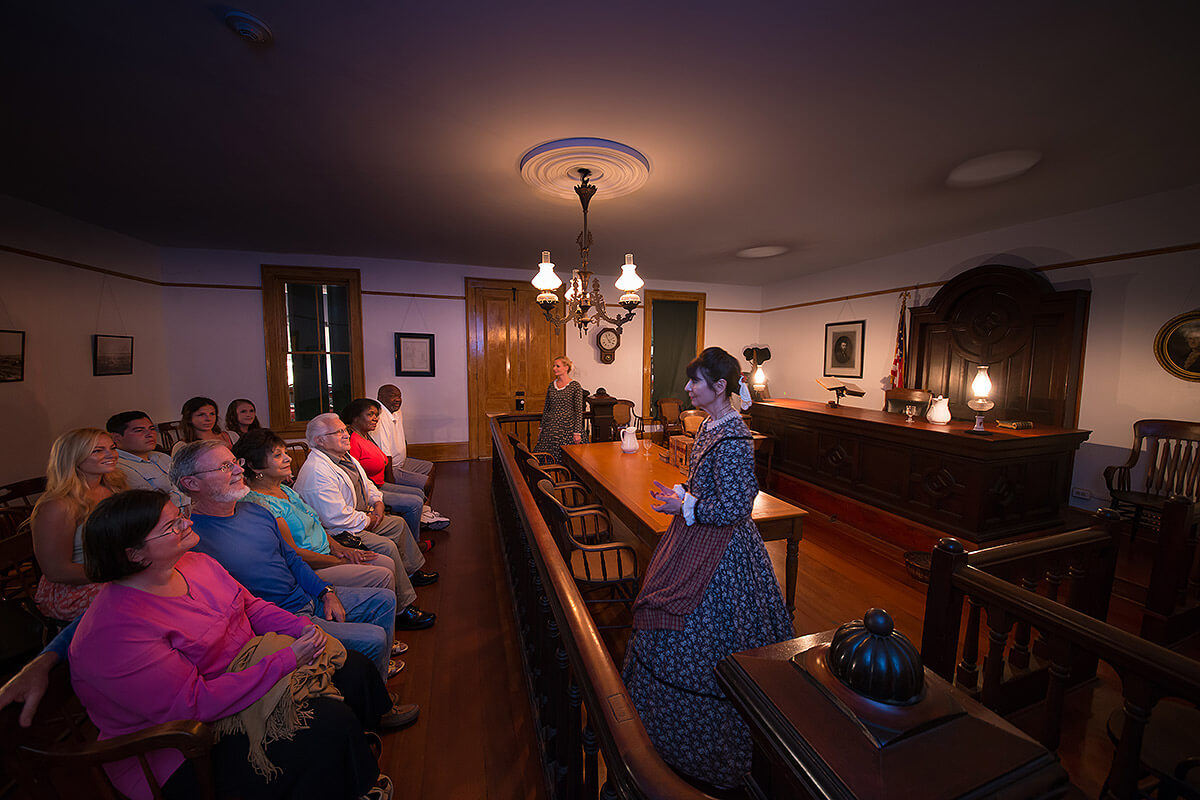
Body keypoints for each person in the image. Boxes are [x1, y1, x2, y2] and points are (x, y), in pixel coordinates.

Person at [66, 489, 394, 800]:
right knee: (326, 722)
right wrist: (287, 659)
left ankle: (351, 759)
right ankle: (349, 774)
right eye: (172, 525)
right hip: (181, 745)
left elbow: (251, 605)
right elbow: (193, 704)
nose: (188, 522)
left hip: (241, 672)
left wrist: (301, 628)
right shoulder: (117, 631)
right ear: (133, 554)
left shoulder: (196, 563)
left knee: (352, 667)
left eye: (180, 515)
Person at [622, 346, 793, 790]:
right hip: (698, 536)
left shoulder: (734, 436)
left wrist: (689, 503)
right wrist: (685, 495)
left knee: (708, 632)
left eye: (695, 381)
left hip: (725, 554)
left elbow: (736, 505)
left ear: (720, 388)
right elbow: (710, 488)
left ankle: (711, 749)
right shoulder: (712, 425)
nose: (687, 388)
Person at [170, 441, 402, 679]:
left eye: (235, 463)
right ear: (191, 483)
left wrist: (325, 592)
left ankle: (374, 680)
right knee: (372, 639)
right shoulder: (192, 539)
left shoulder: (256, 511)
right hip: (278, 618)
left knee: (384, 599)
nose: (239, 470)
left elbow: (291, 559)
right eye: (225, 467)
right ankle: (371, 698)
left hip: (307, 596)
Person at [292, 414, 438, 632]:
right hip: (342, 531)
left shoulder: (343, 456)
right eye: (338, 432)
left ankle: (410, 572)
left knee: (397, 524)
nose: (345, 434)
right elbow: (337, 518)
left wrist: (378, 503)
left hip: (364, 515)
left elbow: (367, 483)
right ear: (320, 440)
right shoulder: (317, 472)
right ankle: (403, 608)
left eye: (344, 430)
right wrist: (370, 519)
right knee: (386, 546)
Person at [234, 429, 399, 593]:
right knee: (382, 574)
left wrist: (341, 549)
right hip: (309, 568)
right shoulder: (260, 504)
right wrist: (338, 561)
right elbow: (294, 553)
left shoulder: (285, 490)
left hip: (327, 553)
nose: (288, 458)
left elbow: (315, 524)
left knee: (385, 562)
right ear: (255, 466)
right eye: (278, 456)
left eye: (285, 453)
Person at [31, 428, 127, 620]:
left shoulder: (113, 488)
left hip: (116, 571)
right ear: (73, 458)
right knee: (143, 602)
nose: (111, 455)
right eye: (98, 450)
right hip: (77, 586)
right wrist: (122, 571)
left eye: (112, 447)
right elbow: (56, 571)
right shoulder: (58, 505)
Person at [341, 398, 431, 538]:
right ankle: (414, 541)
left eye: (376, 415)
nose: (375, 418)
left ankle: (414, 528)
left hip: (379, 485)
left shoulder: (366, 436)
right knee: (415, 502)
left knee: (419, 493)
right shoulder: (353, 441)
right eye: (370, 414)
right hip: (368, 492)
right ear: (356, 417)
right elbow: (354, 476)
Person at [374, 385, 448, 528]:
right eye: (392, 395)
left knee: (430, 467)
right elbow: (386, 455)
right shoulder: (381, 416)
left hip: (402, 461)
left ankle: (425, 511)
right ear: (380, 398)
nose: (397, 399)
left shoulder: (396, 411)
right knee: (426, 484)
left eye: (399, 396)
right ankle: (419, 516)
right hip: (392, 467)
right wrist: (391, 483)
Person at [107, 410, 189, 508]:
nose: (150, 434)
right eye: (139, 430)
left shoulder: (161, 457)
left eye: (152, 429)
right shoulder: (118, 467)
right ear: (117, 437)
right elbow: (153, 504)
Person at [533, 356, 586, 464]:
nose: (554, 368)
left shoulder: (575, 386)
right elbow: (547, 408)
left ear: (566, 368)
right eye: (554, 366)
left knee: (570, 459)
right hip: (550, 429)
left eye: (558, 366)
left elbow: (578, 411)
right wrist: (541, 427)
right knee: (543, 458)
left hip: (568, 429)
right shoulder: (551, 386)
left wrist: (577, 432)